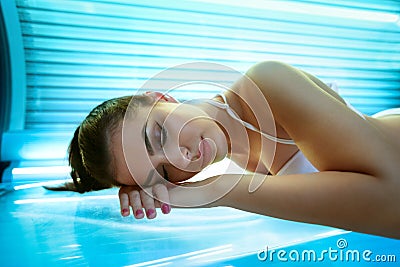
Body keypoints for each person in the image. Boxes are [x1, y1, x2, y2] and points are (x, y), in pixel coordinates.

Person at [49, 61, 400, 239]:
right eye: (164, 174)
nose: (179, 158)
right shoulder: (245, 166)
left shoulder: (266, 82)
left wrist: (222, 188)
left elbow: (393, 200)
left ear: (160, 97)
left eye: (157, 136)